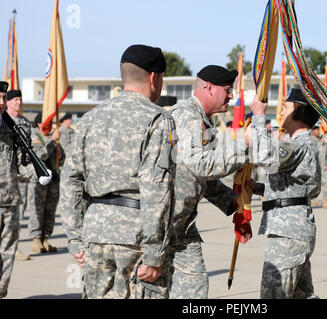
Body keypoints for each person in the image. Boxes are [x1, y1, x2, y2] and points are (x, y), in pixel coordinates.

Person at [60, 45, 176, 299]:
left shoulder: (91, 118)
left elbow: (70, 179)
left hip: (95, 233)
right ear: (154, 77)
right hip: (135, 237)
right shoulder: (158, 119)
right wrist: (155, 253)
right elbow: (156, 188)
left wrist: (75, 238)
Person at [167, 65, 249, 299]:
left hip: (182, 225)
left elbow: (200, 176)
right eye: (227, 89)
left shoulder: (204, 121)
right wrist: (245, 145)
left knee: (194, 288)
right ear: (209, 88)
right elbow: (201, 165)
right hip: (162, 224)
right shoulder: (187, 116)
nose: (231, 95)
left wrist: (231, 200)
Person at [247, 88, 321, 299]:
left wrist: (259, 116)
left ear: (298, 111)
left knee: (273, 295)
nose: (281, 111)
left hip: (288, 233)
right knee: (301, 295)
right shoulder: (304, 144)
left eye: (286, 106)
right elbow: (303, 187)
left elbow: (264, 157)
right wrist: (260, 188)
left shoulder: (298, 145)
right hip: (294, 230)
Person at [27, 113, 64, 253]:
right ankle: (36, 239)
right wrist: (52, 142)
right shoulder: (35, 137)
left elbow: (61, 159)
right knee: (37, 209)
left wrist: (60, 155)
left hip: (53, 180)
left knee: (50, 209)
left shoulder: (52, 138)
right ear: (38, 123)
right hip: (39, 180)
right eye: (45, 122)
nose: (48, 126)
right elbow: (40, 156)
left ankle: (45, 238)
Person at [0, 81, 22, 297]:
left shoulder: (11, 127)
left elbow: (18, 163)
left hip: (10, 199)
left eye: (3, 98)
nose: (1, 103)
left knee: (7, 253)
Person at [5, 90, 31, 261]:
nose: (19, 103)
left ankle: (15, 246)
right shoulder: (4, 121)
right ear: (7, 102)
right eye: (15, 99)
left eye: (20, 99)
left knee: (19, 211)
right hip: (6, 175)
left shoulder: (25, 122)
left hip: (21, 174)